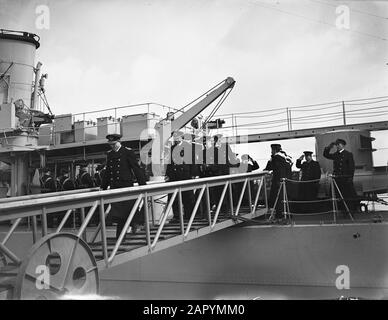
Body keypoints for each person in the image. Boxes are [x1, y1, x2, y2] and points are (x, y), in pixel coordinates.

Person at [101, 133, 147, 238]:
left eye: (114, 144)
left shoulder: (127, 152)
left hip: (126, 186)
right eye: (110, 144)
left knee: (127, 211)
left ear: (119, 142)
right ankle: (122, 235)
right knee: (119, 214)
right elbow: (108, 172)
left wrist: (143, 185)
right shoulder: (110, 154)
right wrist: (102, 187)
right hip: (115, 187)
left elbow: (136, 169)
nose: (112, 146)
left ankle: (127, 230)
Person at [165, 131, 195, 222]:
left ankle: (188, 216)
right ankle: (177, 216)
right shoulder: (173, 148)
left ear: (182, 137)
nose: (175, 138)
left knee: (187, 197)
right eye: (174, 137)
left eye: (177, 137)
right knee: (174, 197)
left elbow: (192, 162)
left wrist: (194, 174)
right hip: (174, 176)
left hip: (185, 175)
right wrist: (168, 174)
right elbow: (170, 162)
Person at [323, 138, 358, 212]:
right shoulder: (336, 154)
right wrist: (329, 147)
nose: (337, 146)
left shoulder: (348, 154)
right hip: (337, 179)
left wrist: (350, 178)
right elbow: (325, 155)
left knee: (347, 196)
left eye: (339, 144)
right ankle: (340, 211)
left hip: (345, 179)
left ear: (343, 145)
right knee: (337, 196)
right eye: (336, 145)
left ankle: (349, 212)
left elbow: (351, 167)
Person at [264, 144, 290, 220]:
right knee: (283, 198)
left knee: (277, 198)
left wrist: (270, 159)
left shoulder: (276, 158)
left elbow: (271, 168)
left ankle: (279, 214)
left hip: (278, 181)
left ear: (274, 150)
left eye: (272, 150)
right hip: (284, 180)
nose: (271, 152)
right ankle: (284, 213)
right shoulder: (284, 157)